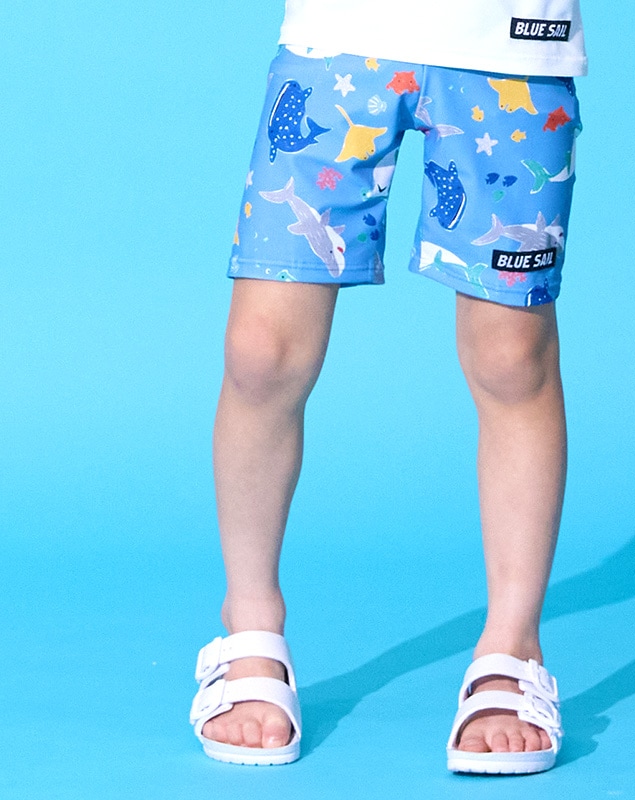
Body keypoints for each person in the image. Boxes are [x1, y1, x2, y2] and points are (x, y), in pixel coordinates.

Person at [189, 0, 587, 775]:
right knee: (263, 354)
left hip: (512, 49)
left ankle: (513, 646)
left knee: (512, 356)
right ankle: (250, 622)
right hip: (338, 39)